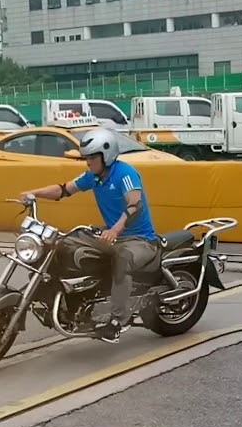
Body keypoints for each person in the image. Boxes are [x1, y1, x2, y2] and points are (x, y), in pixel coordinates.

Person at [18, 127, 159, 343]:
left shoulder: (125, 173)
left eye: (92, 157)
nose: (88, 162)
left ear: (107, 155)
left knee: (122, 259)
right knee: (64, 242)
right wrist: (34, 193)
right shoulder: (93, 177)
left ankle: (117, 321)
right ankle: (62, 294)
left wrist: (115, 230)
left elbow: (135, 205)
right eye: (87, 158)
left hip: (139, 239)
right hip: (111, 236)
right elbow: (64, 189)